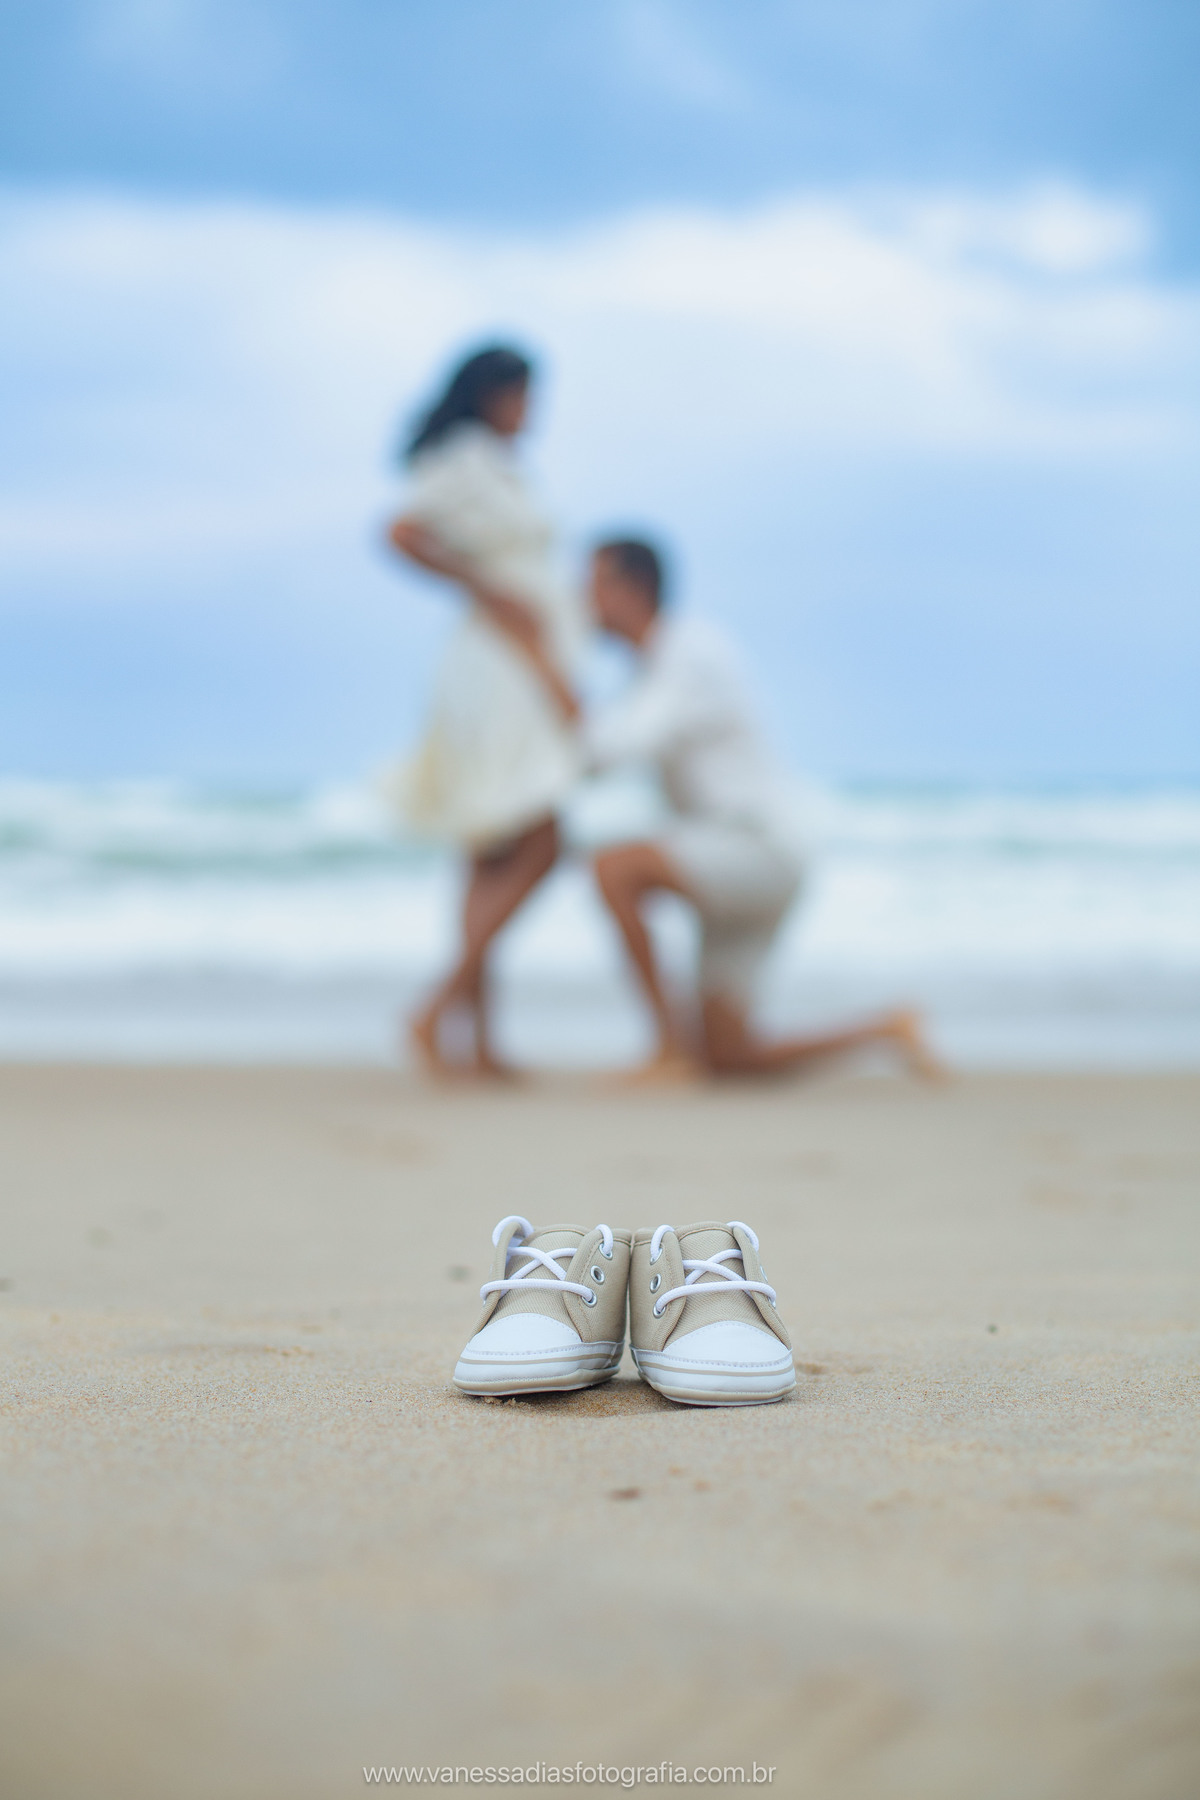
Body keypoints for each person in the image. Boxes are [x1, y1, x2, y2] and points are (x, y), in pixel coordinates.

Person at [585, 538, 941, 1080]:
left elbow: (614, 751)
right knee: (727, 1058)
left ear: (631, 588)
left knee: (614, 868)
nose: (581, 599)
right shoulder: (652, 670)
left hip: (755, 848)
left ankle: (666, 1049)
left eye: (591, 584)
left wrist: (548, 679)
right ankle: (887, 1029)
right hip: (743, 853)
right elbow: (602, 753)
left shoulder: (689, 654)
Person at [387, 345, 582, 1077]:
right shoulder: (464, 457)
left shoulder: (496, 464)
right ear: (495, 394)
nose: (534, 412)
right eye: (526, 396)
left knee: (490, 848)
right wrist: (488, 593)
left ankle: (476, 1039)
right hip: (501, 669)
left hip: (512, 660)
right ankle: (440, 1007)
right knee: (540, 838)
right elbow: (401, 532)